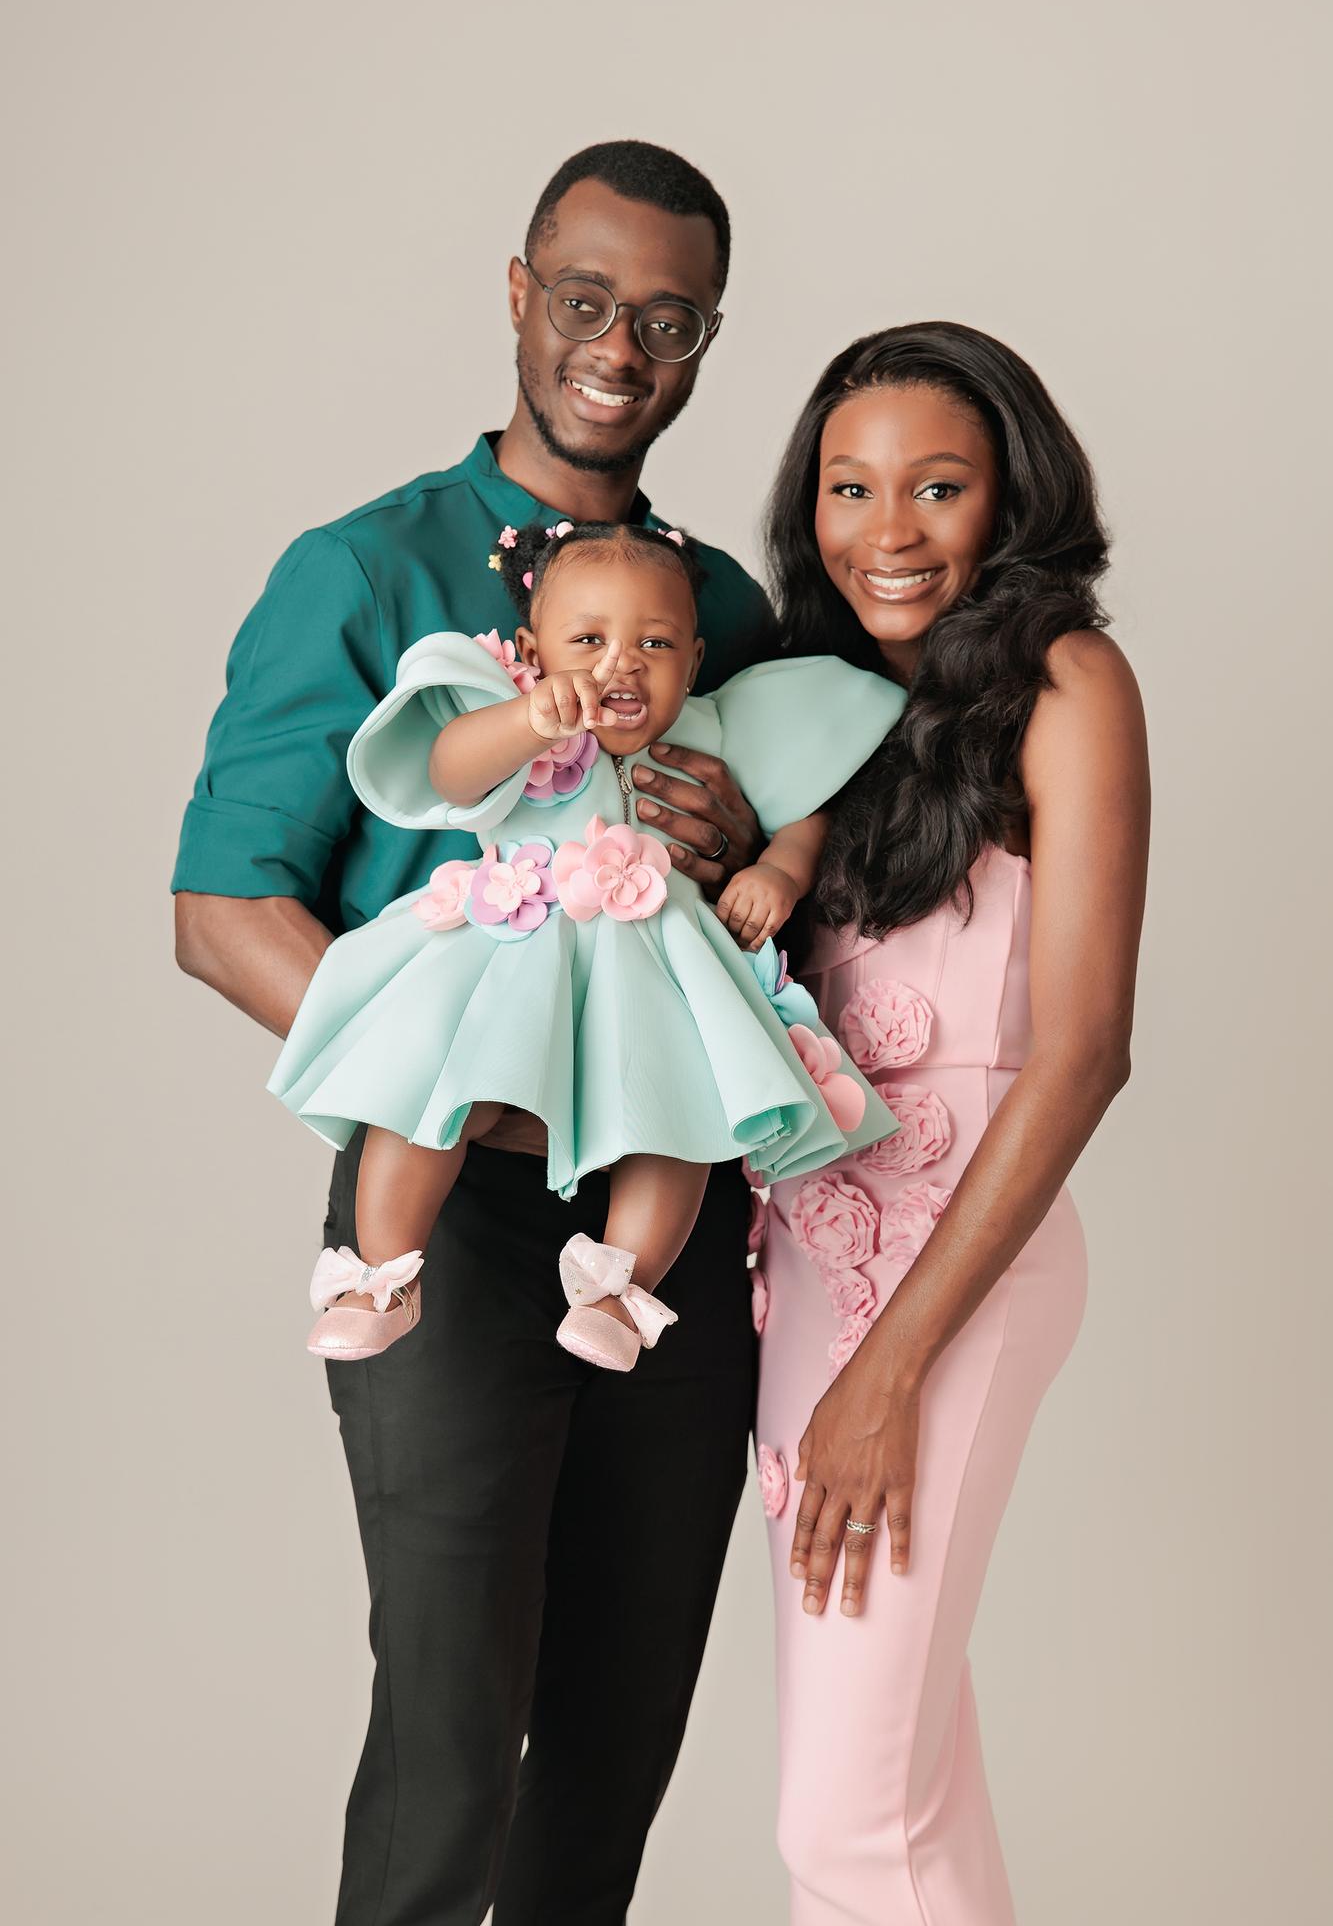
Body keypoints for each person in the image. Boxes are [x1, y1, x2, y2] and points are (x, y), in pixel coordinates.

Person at [174, 141, 775, 1925]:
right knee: (452, 1717)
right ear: (516, 292)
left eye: (665, 319)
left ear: (703, 343)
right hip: (445, 1212)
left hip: (669, 1215)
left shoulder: (718, 610)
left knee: (618, 1733)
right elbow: (223, 910)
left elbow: (773, 918)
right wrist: (458, 1086)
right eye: (584, 299)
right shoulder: (359, 569)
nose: (617, 344)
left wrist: (747, 849)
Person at [750, 321, 1149, 1924]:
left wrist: (888, 1370)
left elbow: (1085, 1053)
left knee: (845, 1824)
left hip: (956, 1290)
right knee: (904, 1787)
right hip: (804, 1281)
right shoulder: (810, 709)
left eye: (936, 486)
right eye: (850, 487)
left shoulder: (1067, 679)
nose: (887, 529)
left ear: (1009, 498)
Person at [270, 516, 904, 1368]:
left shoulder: (713, 732)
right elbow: (449, 769)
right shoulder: (515, 724)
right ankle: (380, 1274)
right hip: (507, 948)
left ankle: (618, 1291)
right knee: (428, 1092)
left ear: (694, 658)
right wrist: (529, 720)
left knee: (677, 1118)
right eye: (587, 639)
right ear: (531, 651)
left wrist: (778, 874)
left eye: (654, 641)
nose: (620, 661)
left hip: (654, 967)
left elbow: (801, 812)